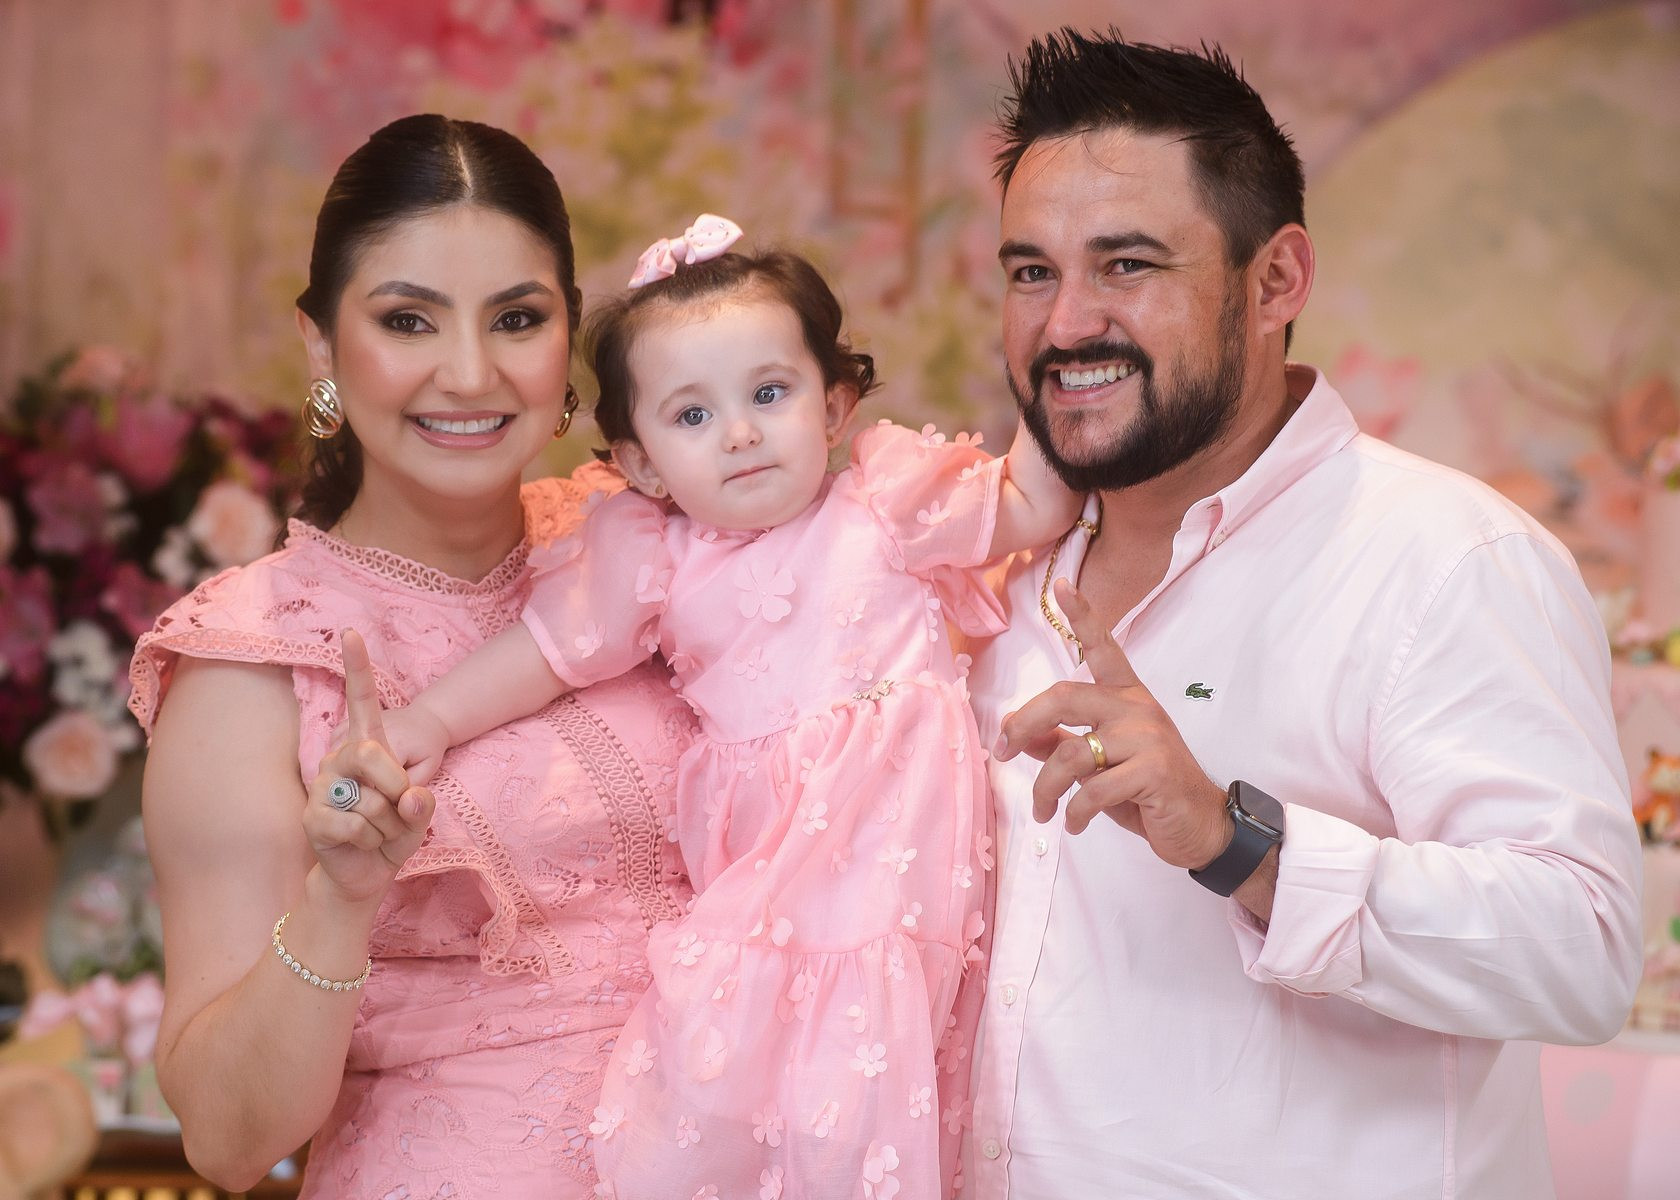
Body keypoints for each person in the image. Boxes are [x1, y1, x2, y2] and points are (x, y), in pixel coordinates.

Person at [960, 29, 1644, 1198]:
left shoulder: (1444, 558)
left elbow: (1580, 953)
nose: (1065, 324)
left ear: (1276, 281)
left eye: (1126, 265)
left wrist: (1238, 842)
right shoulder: (983, 569)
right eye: (1032, 272)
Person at [375, 217, 1080, 1195]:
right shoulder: (657, 558)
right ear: (644, 463)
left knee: (872, 1101)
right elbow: (546, 652)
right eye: (693, 415)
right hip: (763, 890)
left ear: (833, 407)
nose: (740, 433)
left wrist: (1054, 369)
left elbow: (1035, 505)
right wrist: (428, 722)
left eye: (770, 394)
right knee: (725, 1084)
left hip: (899, 877)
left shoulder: (885, 506)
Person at [128, 114, 697, 1197]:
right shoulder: (251, 664)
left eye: (517, 319)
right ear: (320, 346)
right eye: (408, 320)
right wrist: (340, 899)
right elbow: (228, 1140)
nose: (471, 373)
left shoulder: (652, 547)